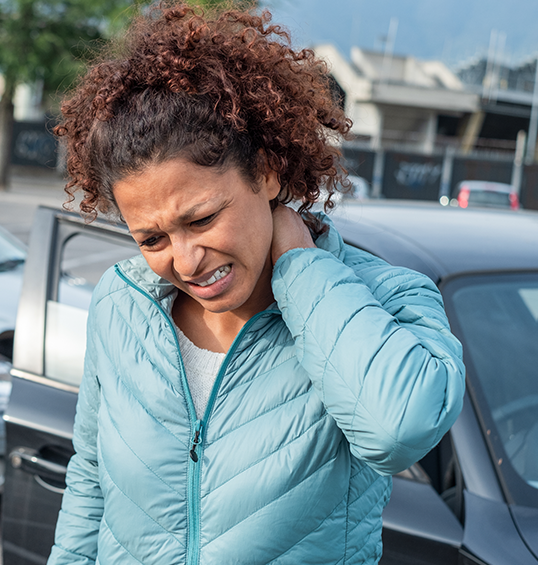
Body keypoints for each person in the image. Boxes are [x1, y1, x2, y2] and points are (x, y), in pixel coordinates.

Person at [48, 4, 465, 564]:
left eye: (201, 219)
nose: (187, 260)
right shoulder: (121, 303)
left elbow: (399, 430)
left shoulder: (386, 298)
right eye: (152, 239)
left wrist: (299, 264)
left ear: (267, 172)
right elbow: (91, 482)